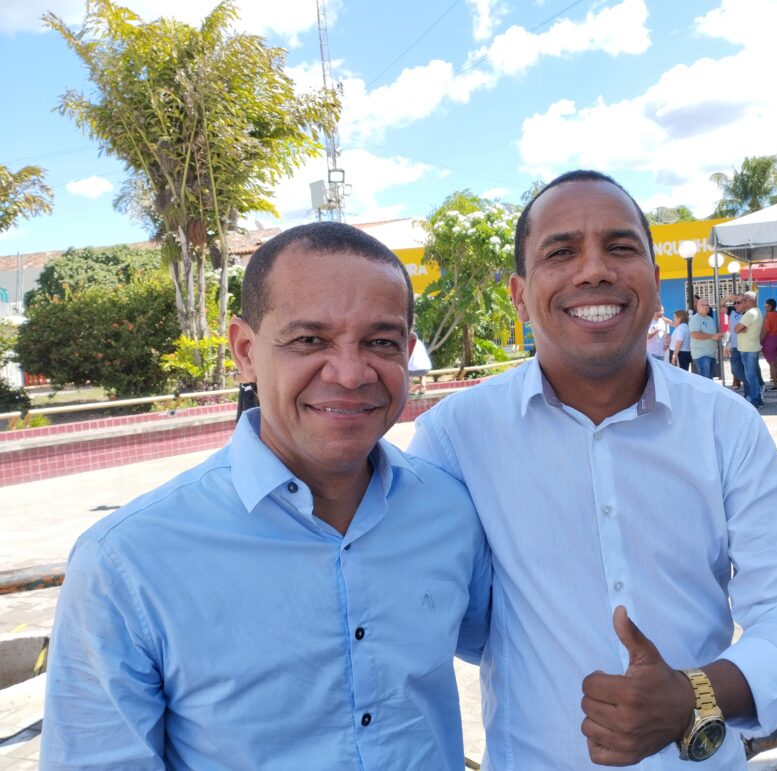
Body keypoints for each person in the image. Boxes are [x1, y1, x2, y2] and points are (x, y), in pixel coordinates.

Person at [410, 170, 777, 769]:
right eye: (561, 252)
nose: (594, 270)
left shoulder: (726, 425)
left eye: (620, 246)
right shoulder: (454, 437)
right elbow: (434, 611)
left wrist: (693, 696)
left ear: (654, 281)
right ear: (519, 295)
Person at [42, 223, 491, 769]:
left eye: (380, 342)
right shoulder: (126, 562)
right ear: (245, 351)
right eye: (309, 340)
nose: (351, 374)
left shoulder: (449, 512)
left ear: (408, 353)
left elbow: (513, 646)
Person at [733, 291, 764, 407]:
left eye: (745, 300)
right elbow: (739, 329)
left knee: (751, 376)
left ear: (751, 300)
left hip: (748, 349)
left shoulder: (750, 313)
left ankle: (755, 400)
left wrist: (741, 328)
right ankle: (756, 398)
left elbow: (736, 329)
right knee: (751, 375)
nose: (743, 302)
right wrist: (742, 328)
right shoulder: (757, 311)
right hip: (750, 347)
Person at [689, 298, 722, 378]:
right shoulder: (695, 319)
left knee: (709, 380)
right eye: (703, 305)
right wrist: (712, 336)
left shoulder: (710, 319)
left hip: (711, 354)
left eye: (707, 305)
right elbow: (694, 334)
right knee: (705, 380)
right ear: (697, 307)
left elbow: (713, 335)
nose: (705, 307)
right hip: (701, 355)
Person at [761, 297, 777, 390]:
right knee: (776, 362)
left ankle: (776, 383)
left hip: (770, 339)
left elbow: (765, 330)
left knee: (772, 363)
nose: (765, 307)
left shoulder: (767, 316)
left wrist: (760, 341)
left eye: (766, 305)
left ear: (770, 306)